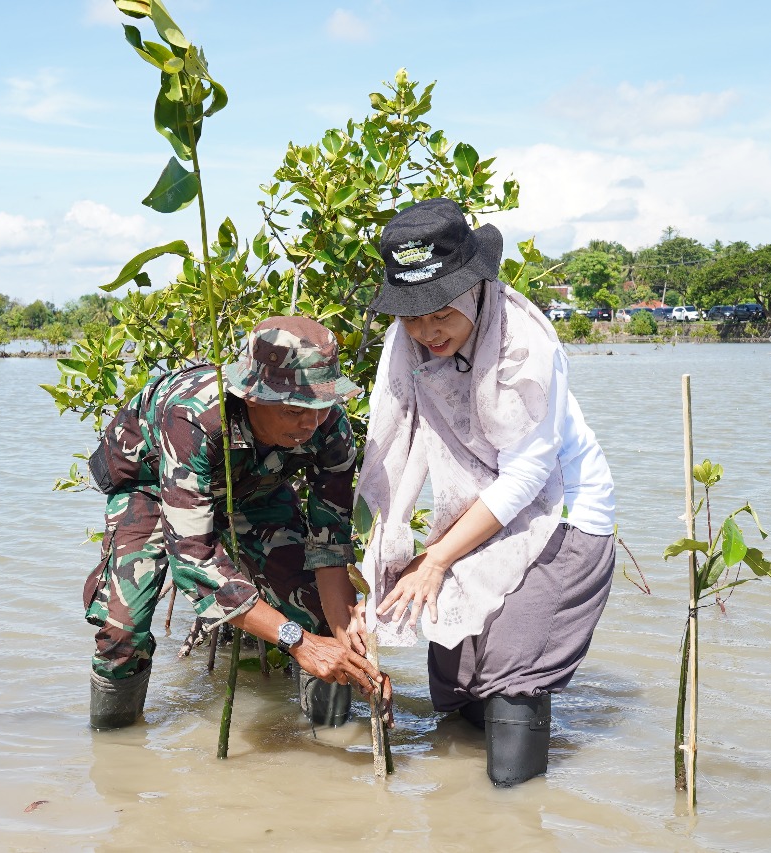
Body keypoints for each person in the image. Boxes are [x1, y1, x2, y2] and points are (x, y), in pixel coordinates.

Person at [355, 198, 615, 787]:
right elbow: (388, 451)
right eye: (412, 317)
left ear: (475, 289)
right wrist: (382, 565)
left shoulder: (524, 346)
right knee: (457, 677)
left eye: (440, 313)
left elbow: (527, 478)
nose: (428, 332)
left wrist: (435, 559)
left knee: (512, 674)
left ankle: (515, 807)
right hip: (481, 513)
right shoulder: (409, 346)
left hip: (562, 514)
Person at [82, 315, 390, 730]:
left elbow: (329, 543)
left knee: (316, 611)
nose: (310, 424)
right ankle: (114, 746)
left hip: (256, 488)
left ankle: (328, 736)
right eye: (294, 409)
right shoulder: (194, 418)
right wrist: (298, 642)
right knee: (123, 634)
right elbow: (195, 562)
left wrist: (342, 642)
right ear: (253, 398)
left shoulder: (329, 427)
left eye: (320, 407)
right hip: (154, 485)